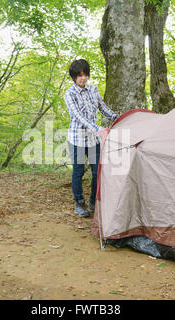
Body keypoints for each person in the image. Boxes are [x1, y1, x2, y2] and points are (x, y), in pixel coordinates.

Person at [64, 59, 118, 218]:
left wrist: (115, 117)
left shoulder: (93, 90)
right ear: (74, 77)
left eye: (85, 74)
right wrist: (98, 129)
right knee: (78, 172)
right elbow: (78, 116)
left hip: (93, 140)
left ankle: (94, 202)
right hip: (77, 140)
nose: (83, 78)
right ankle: (79, 203)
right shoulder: (70, 94)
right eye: (79, 75)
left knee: (97, 172)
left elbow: (102, 107)